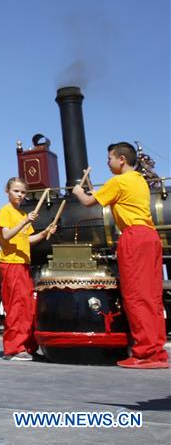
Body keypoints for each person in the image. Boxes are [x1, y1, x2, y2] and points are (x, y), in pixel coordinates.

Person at [72, 142, 169, 369]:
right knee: (152, 296)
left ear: (122, 159)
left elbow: (87, 202)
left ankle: (145, 354)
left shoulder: (118, 181)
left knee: (135, 295)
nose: (108, 163)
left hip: (134, 237)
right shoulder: (139, 181)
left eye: (110, 158)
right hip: (150, 237)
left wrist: (78, 191)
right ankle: (155, 351)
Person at [0, 177, 57, 361]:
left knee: (28, 307)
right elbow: (6, 236)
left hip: (23, 264)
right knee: (15, 307)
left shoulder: (23, 214)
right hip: (10, 263)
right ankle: (13, 349)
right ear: (7, 191)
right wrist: (24, 222)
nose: (20, 195)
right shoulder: (5, 212)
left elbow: (27, 240)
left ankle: (28, 347)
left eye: (23, 192)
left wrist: (45, 232)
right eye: (16, 191)